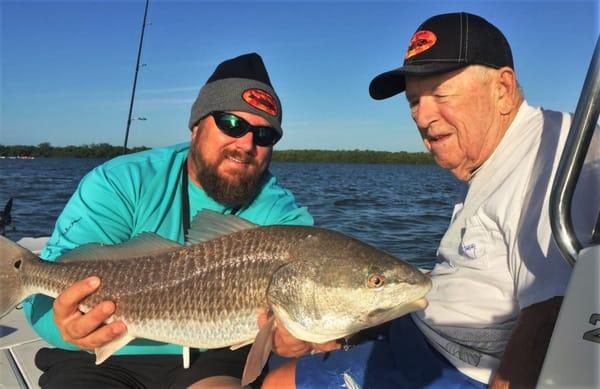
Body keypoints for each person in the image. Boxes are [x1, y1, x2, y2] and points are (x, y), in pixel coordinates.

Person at [262, 12, 600, 389]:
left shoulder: (553, 157)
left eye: (440, 93)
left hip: (455, 368)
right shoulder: (493, 156)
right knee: (301, 335)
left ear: (502, 89)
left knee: (279, 382)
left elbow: (548, 321)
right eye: (414, 101)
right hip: (422, 331)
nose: (422, 117)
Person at [22, 52, 314, 388]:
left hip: (212, 357)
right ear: (196, 127)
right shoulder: (120, 181)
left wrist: (299, 341)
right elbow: (39, 301)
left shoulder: (284, 217)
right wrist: (67, 330)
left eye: (265, 136)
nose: (246, 143)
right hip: (97, 357)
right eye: (232, 124)